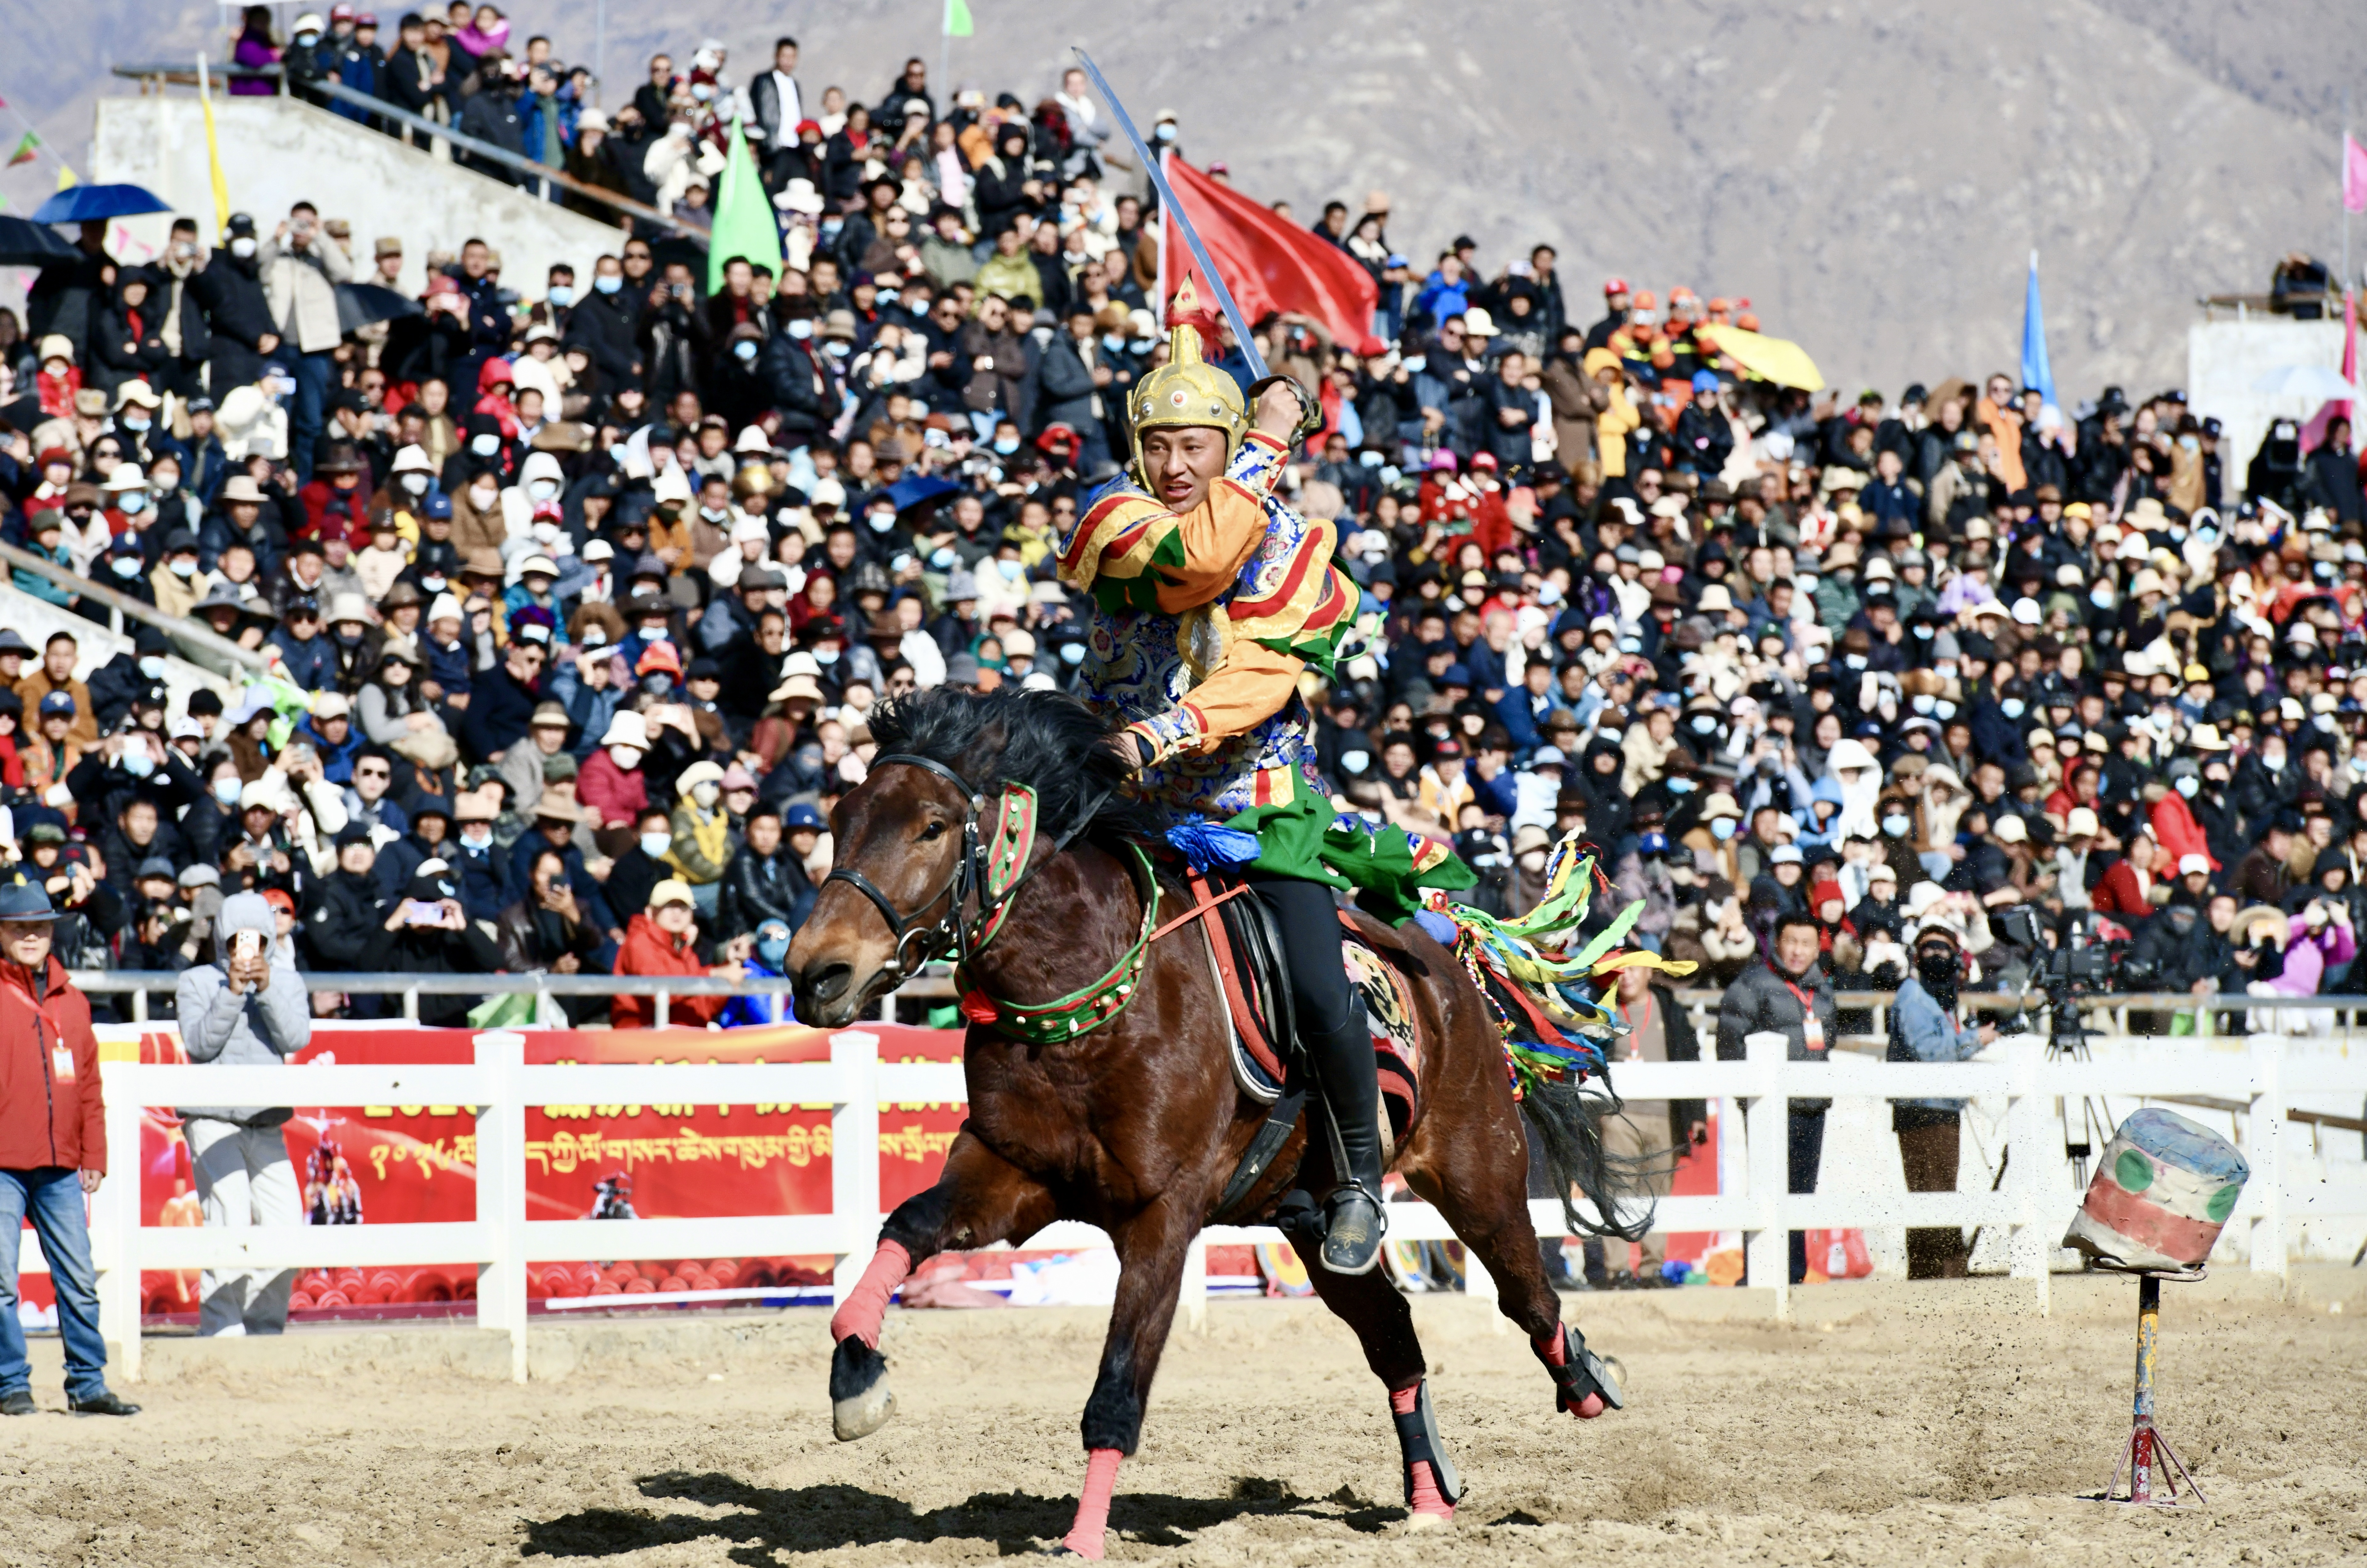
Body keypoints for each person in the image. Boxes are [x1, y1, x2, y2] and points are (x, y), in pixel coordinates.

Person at [1053, 281, 1470, 1276]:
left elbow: (1260, 674)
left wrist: (1165, 732)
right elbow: (1197, 562)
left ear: (1225, 443)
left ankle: (1361, 1175)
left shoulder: (1288, 540)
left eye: (1197, 443)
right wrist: (1271, 432)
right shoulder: (1112, 515)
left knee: (1321, 984)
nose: (1174, 462)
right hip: (1128, 806)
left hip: (1254, 810)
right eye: (1160, 443)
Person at [0, 884, 138, 1416]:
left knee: (79, 1277)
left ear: (53, 932)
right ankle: (12, 1381)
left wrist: (94, 1155)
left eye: (39, 926)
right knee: (2, 1283)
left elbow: (89, 1087)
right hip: (6, 1162)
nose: (31, 935)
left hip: (59, 1164)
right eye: (19, 926)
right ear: (3, 933)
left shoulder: (73, 1001)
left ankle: (88, 1382)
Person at [174, 890, 312, 1337]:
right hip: (211, 1118)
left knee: (287, 1224)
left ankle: (264, 1327)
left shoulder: (287, 980)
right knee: (228, 1219)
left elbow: (295, 1039)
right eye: (236, 937)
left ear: (270, 938)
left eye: (253, 937)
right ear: (222, 938)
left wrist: (267, 988)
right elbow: (200, 1045)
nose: (245, 946)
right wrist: (232, 993)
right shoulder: (196, 981)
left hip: (266, 1119)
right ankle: (222, 1330)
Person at [1714, 910, 1834, 1284]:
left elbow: (1828, 1042)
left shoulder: (1824, 989)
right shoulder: (1751, 984)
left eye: (1807, 943)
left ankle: (1794, 1273)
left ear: (1817, 949)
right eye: (1791, 942)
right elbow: (1730, 1043)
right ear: (1778, 943)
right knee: (1769, 1191)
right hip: (1770, 1110)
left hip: (1812, 1107)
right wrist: (1749, 1098)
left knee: (1801, 1193)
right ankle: (1760, 1275)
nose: (1798, 951)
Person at [1887, 920, 1993, 1278]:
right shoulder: (1914, 995)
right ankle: (1942, 1271)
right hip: (1922, 1107)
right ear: (1917, 956)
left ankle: (1933, 1271)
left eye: (1942, 948)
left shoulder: (1939, 996)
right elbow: (1929, 1051)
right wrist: (1979, 1039)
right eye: (1929, 948)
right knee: (1933, 1189)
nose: (1936, 955)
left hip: (1941, 1105)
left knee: (1937, 1187)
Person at [1598, 960, 1704, 1288]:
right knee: (1617, 1190)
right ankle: (1617, 1269)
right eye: (1620, 968)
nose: (1626, 974)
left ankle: (1652, 1270)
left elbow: (1690, 1057)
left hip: (1665, 1116)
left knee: (1657, 1192)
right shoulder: (1603, 1010)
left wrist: (1696, 1114)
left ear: (1648, 972)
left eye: (1633, 968)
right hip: (1618, 1117)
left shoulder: (1669, 1008)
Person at [613, 878, 743, 1029]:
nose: (677, 913)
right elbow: (660, 990)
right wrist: (714, 974)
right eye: (668, 906)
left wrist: (731, 965)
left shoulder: (682, 945)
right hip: (642, 1034)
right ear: (650, 912)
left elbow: (703, 1006)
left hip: (679, 1032)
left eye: (683, 907)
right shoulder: (639, 942)